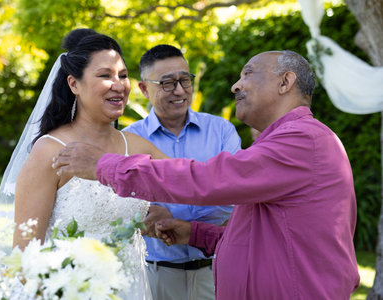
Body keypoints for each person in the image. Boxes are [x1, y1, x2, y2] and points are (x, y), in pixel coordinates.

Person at [52, 50, 361, 299]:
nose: (235, 86)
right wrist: (194, 233)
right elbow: (266, 236)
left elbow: (207, 179)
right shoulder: (290, 140)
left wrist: (106, 166)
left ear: (285, 82)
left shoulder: (300, 140)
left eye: (248, 74)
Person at [0, 28, 168, 300]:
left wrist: (161, 213)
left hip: (133, 290)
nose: (119, 84)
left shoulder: (138, 147)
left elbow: (193, 182)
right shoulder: (50, 152)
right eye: (105, 75)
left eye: (123, 75)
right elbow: (24, 258)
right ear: (74, 84)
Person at [123, 44, 241, 300]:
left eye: (184, 80)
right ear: (144, 89)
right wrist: (146, 213)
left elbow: (234, 195)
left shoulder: (221, 131)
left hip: (216, 270)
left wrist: (180, 223)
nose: (179, 90)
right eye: (167, 83)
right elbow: (122, 201)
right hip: (155, 275)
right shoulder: (129, 139)